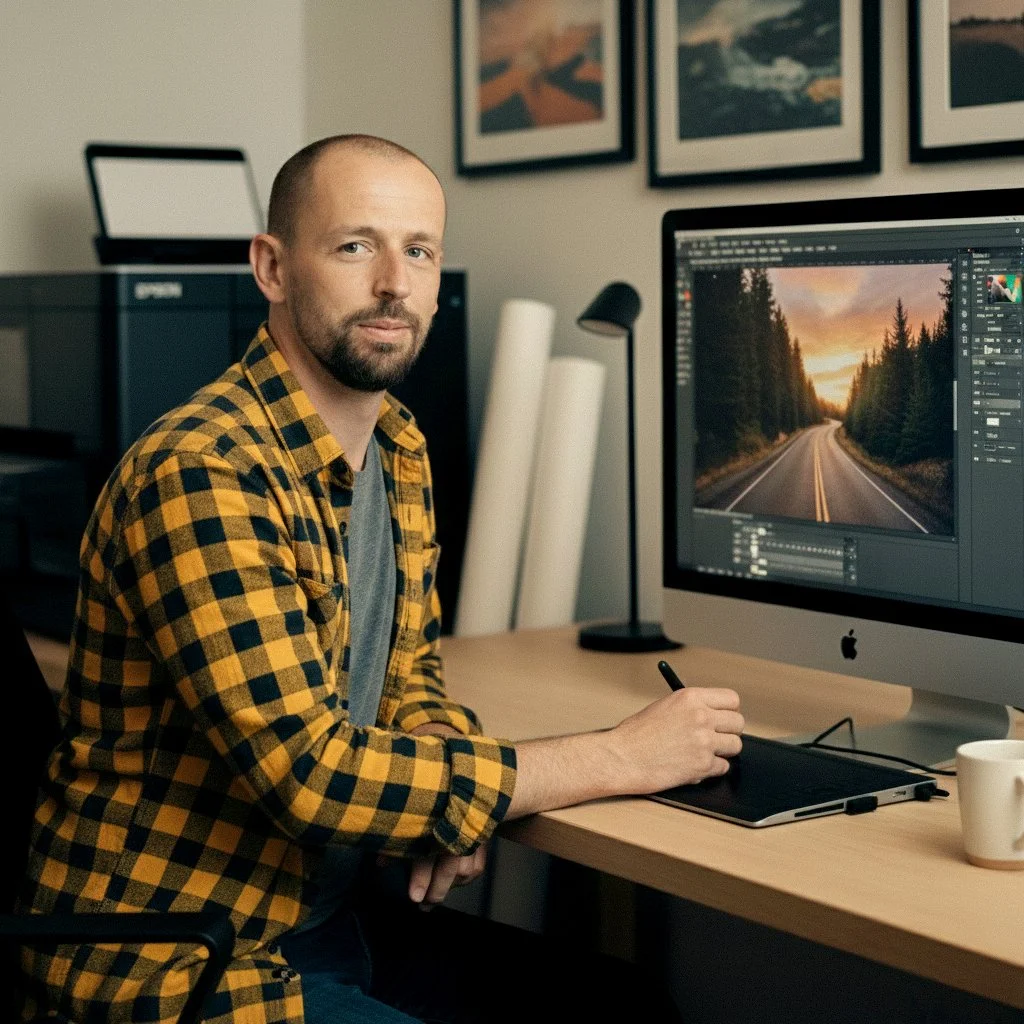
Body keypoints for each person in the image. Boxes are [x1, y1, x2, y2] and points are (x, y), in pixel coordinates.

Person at [17, 135, 744, 1024]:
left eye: (420, 250)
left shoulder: (397, 448)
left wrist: (443, 781)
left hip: (325, 921)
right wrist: (619, 756)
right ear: (273, 268)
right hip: (184, 965)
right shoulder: (205, 473)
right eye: (356, 245)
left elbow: (407, 676)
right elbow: (313, 774)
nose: (395, 282)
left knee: (623, 1002)